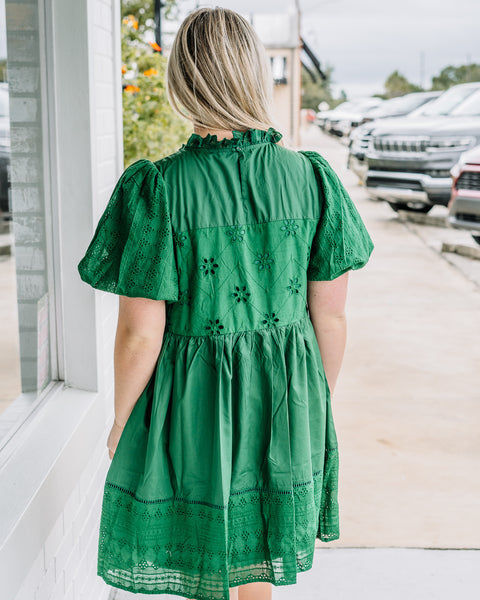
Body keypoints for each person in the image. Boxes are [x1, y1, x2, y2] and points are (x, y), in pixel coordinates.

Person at [77, 6, 374, 600]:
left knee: (205, 554)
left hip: (194, 400)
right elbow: (332, 315)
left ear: (182, 79)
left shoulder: (159, 189)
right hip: (288, 392)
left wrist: (120, 419)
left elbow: (141, 333)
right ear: (253, 75)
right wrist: (313, 397)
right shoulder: (312, 179)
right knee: (258, 556)